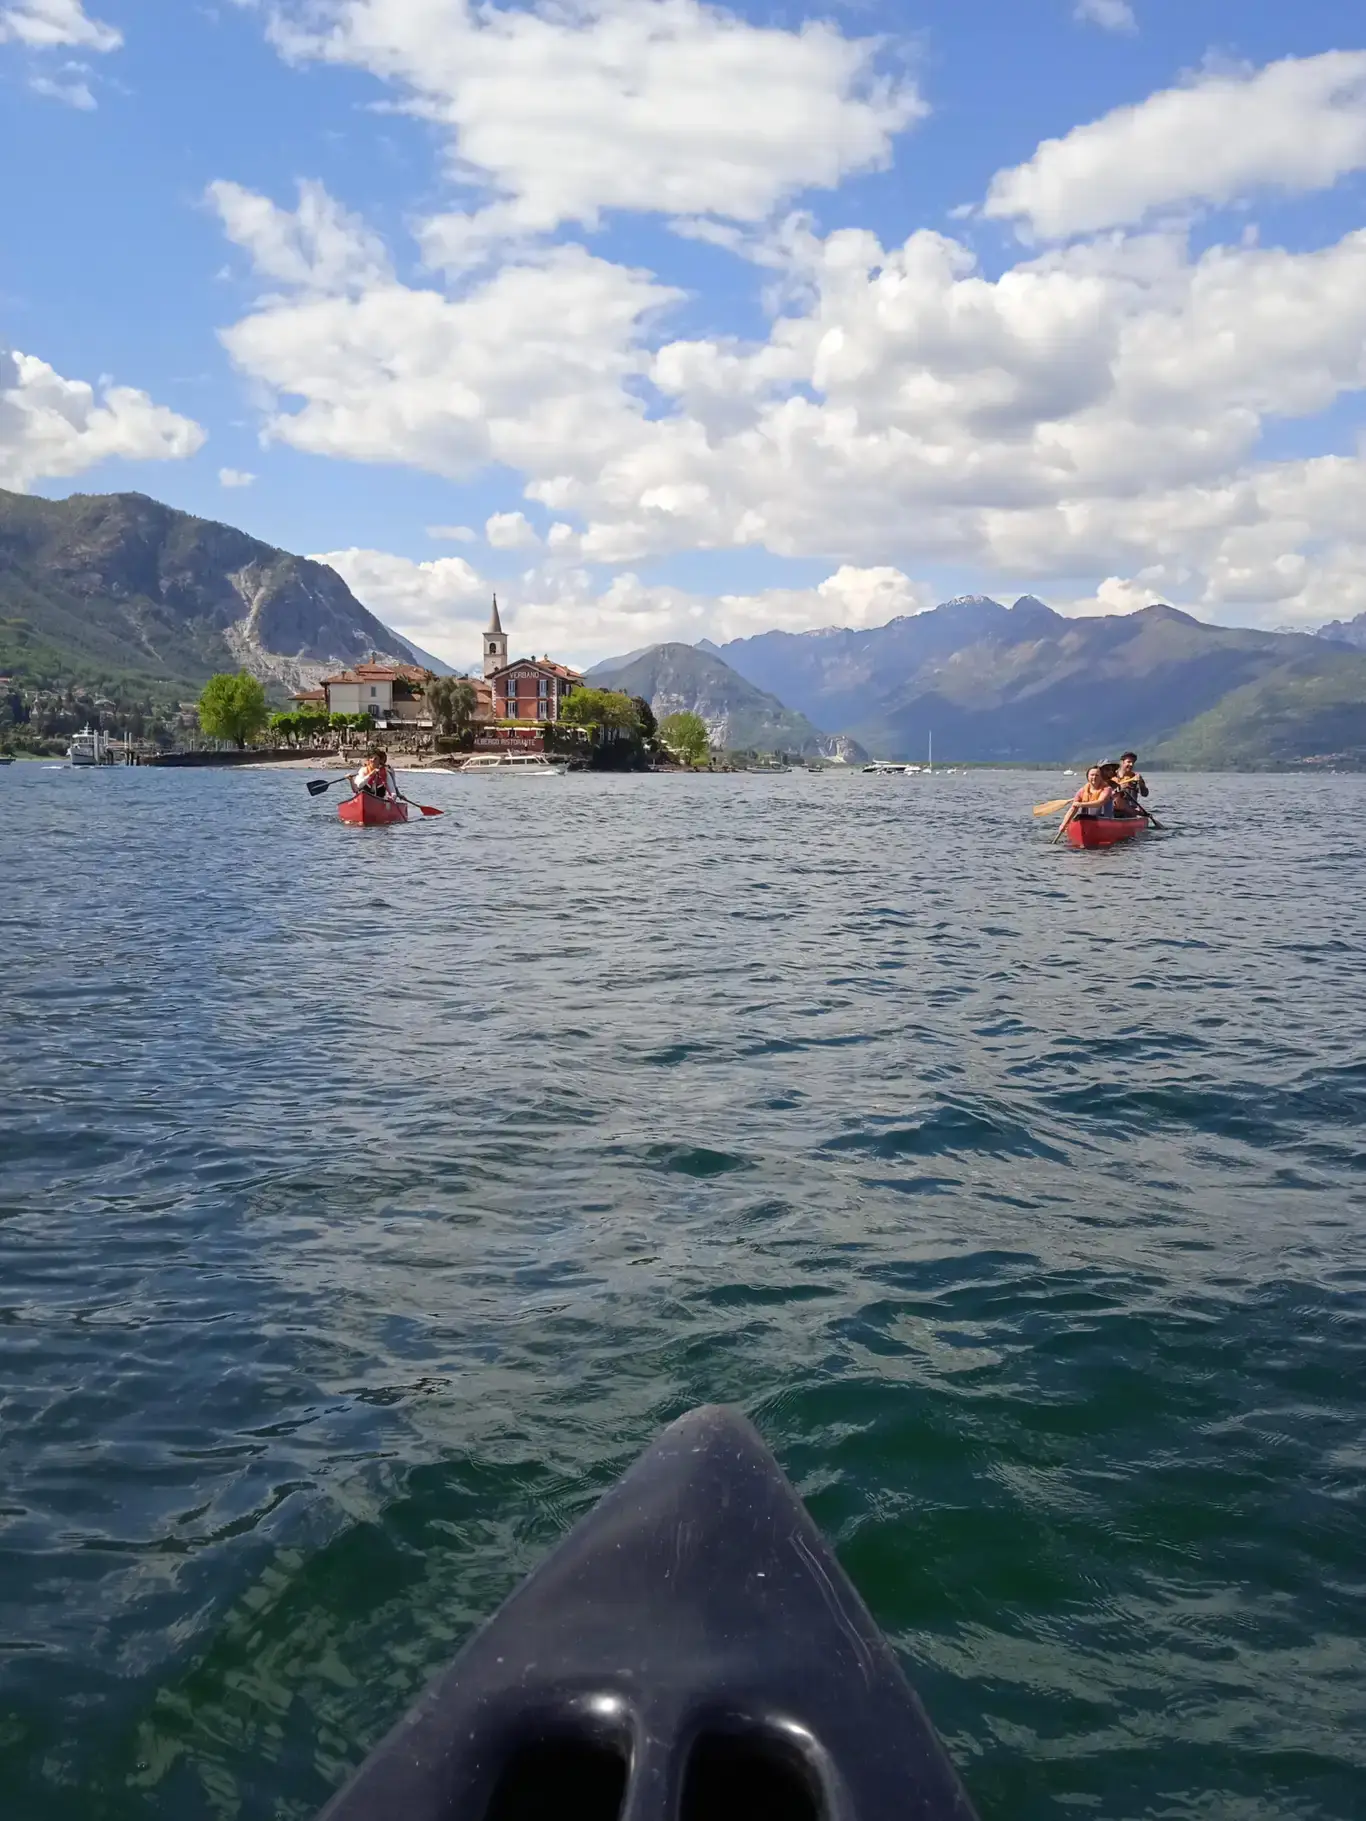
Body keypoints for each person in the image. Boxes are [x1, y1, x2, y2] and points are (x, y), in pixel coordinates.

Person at [1113, 751, 1148, 817]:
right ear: (1122, 762)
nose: (1131, 764)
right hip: (1115, 809)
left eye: (1133, 762)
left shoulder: (1136, 777)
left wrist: (1141, 783)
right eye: (1128, 762)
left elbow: (1145, 794)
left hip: (1130, 812)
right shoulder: (1112, 775)